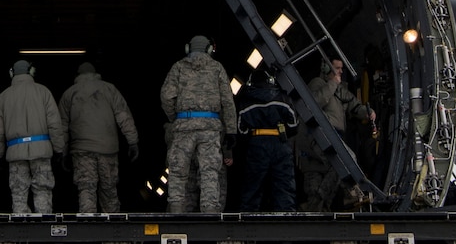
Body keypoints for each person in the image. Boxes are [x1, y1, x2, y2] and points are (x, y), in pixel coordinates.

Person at [161, 34, 237, 216]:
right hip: (210, 128)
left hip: (184, 126)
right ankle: (210, 212)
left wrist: (176, 118)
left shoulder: (178, 67)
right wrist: (232, 130)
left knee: (178, 172)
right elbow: (228, 101)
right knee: (210, 172)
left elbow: (166, 96)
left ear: (188, 48)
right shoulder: (217, 68)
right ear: (209, 49)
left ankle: (176, 212)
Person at [59, 60, 139, 214]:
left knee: (86, 190)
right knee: (109, 190)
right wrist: (133, 141)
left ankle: (88, 229)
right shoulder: (110, 89)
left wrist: (62, 152)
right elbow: (123, 116)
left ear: (78, 75)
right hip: (107, 150)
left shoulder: (69, 94)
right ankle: (114, 234)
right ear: (95, 74)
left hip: (82, 151)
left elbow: (62, 127)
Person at [297, 55, 375, 211]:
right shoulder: (317, 84)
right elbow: (314, 103)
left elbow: (354, 105)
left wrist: (367, 112)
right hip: (317, 140)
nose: (340, 72)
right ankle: (352, 191)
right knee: (345, 161)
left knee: (339, 169)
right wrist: (332, 84)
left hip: (335, 139)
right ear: (326, 68)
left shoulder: (341, 89)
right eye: (337, 68)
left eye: (341, 69)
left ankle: (318, 209)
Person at [0, 59, 65, 214]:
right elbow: (55, 124)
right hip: (41, 152)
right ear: (31, 71)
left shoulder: (3, 97)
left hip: (16, 154)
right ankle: (43, 231)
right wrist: (59, 149)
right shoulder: (44, 92)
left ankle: (21, 232)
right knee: (43, 190)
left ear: (12, 73)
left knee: (18, 193)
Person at [235, 61, 298, 211]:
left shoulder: (245, 104)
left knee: (253, 184)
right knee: (284, 184)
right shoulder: (282, 99)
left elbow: (241, 130)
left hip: (257, 144)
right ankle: (286, 219)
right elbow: (294, 124)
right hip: (279, 142)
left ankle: (248, 221)